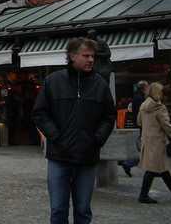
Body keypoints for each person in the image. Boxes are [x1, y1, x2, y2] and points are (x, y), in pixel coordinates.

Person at [32, 37, 116, 224]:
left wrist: (97, 139)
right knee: (58, 210)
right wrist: (56, 136)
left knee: (83, 210)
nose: (91, 60)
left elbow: (109, 116)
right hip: (59, 157)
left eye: (92, 56)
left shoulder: (99, 84)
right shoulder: (53, 81)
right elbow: (39, 113)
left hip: (87, 158)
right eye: (86, 55)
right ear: (72, 56)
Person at [137, 82, 171, 204]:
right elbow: (167, 126)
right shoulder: (159, 107)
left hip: (147, 140)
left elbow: (139, 122)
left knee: (161, 168)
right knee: (153, 169)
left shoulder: (143, 105)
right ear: (158, 93)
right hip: (157, 142)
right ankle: (143, 196)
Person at [119, 80, 149, 177]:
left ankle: (129, 163)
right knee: (145, 148)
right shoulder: (140, 98)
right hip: (142, 125)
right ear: (144, 88)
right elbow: (142, 113)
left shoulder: (136, 97)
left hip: (140, 125)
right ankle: (129, 163)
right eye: (147, 87)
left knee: (144, 148)